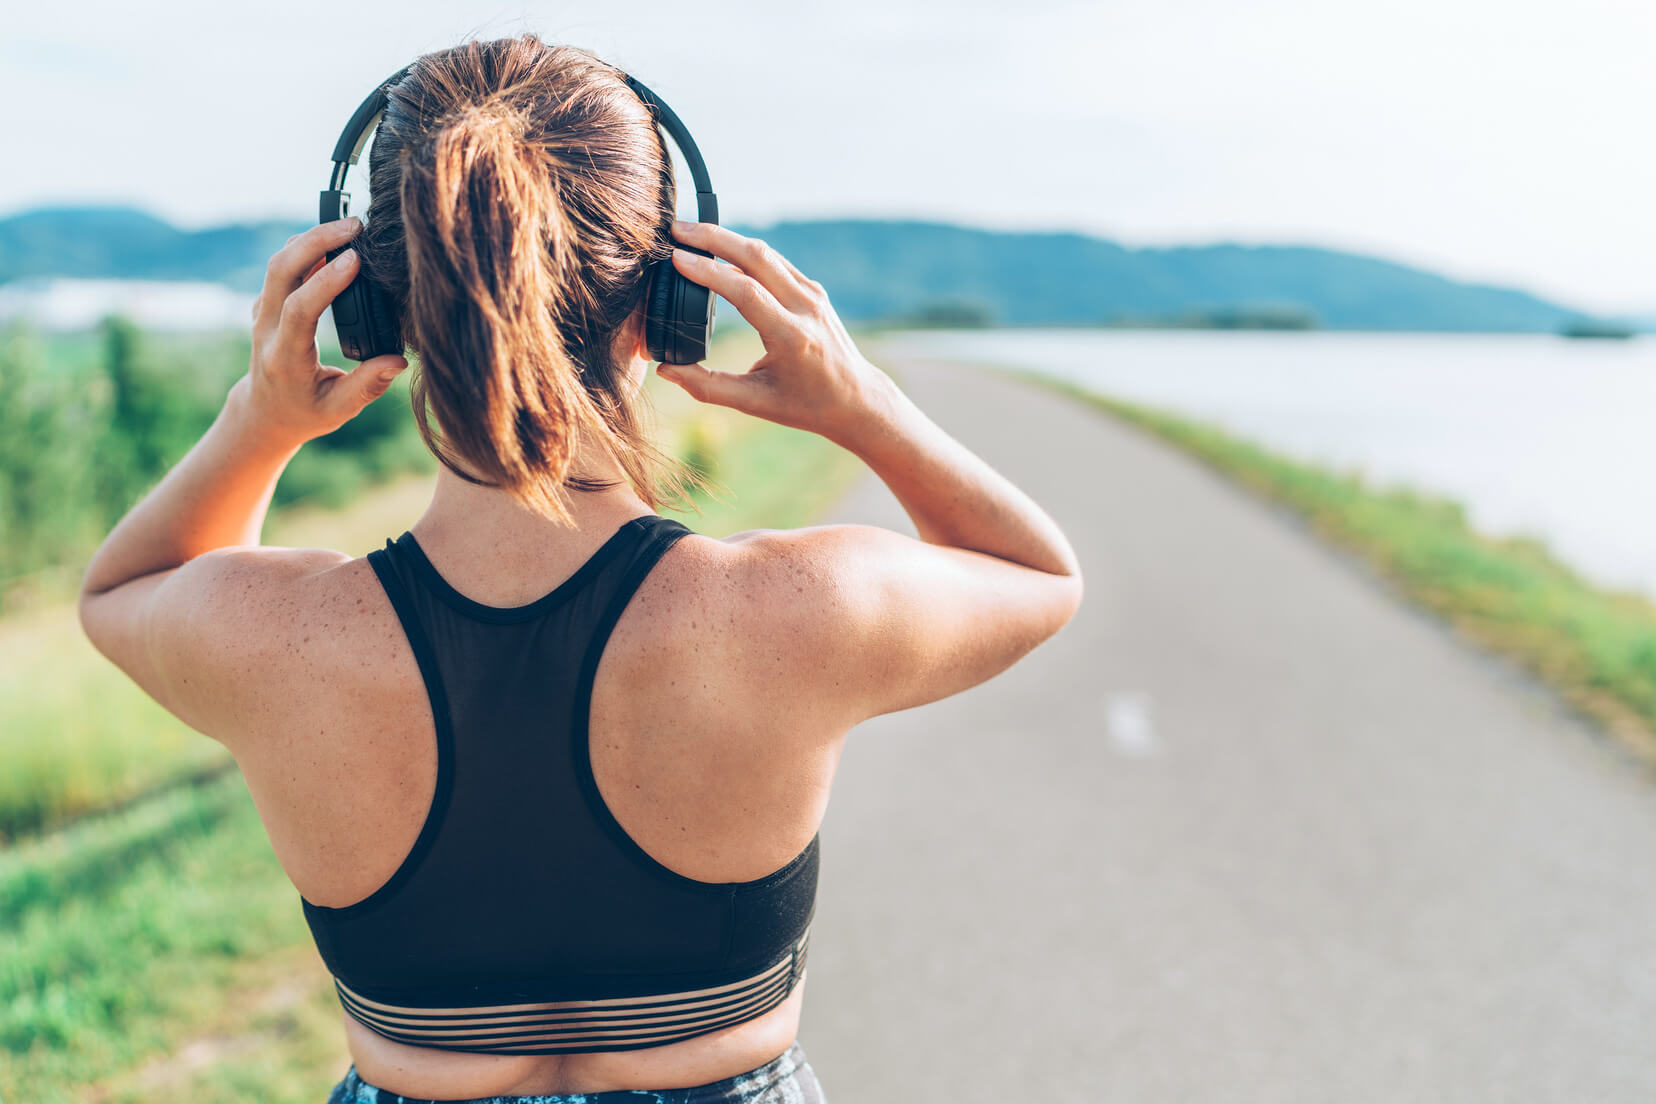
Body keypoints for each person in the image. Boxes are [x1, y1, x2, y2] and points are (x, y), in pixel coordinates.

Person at [77, 34, 1082, 1104]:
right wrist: (866, 405)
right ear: (670, 309)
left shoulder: (274, 637)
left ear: (375, 309)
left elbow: (118, 592)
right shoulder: (800, 608)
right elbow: (1035, 575)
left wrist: (258, 426)